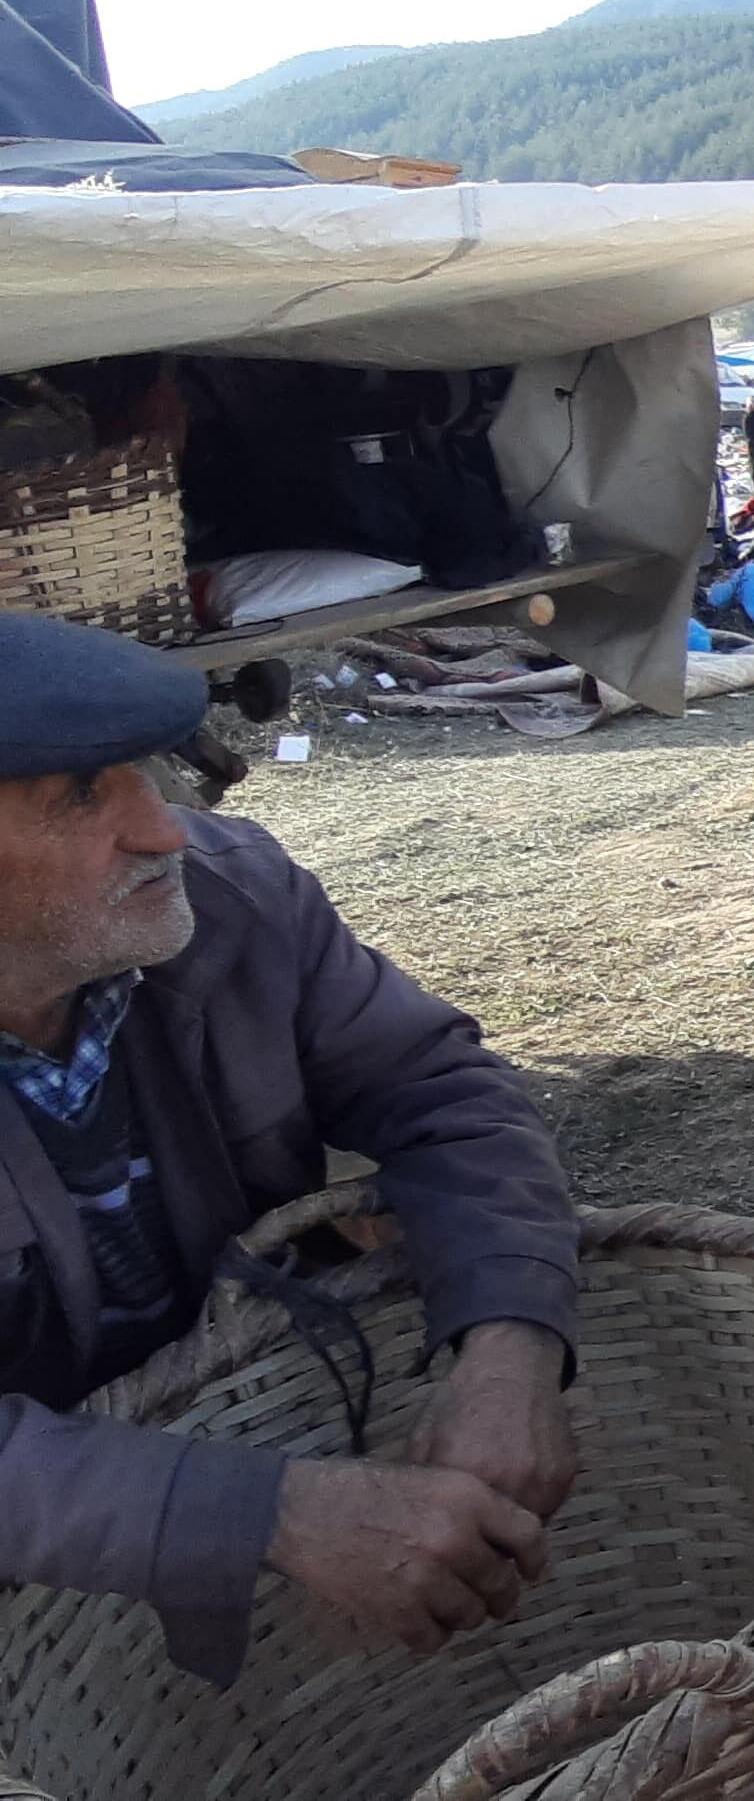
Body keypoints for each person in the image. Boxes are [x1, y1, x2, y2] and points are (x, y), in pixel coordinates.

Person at [0, 615, 579, 1687]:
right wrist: (266, 1513)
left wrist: (509, 1347)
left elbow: (439, 1090)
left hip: (268, 1413)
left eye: (143, 772)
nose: (164, 829)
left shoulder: (232, 897)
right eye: (84, 794)